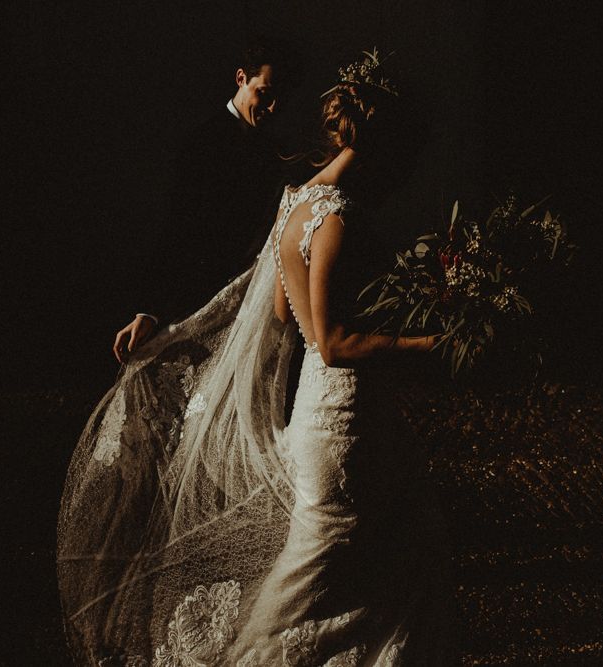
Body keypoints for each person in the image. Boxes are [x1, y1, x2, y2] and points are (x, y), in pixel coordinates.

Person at [58, 49, 451, 666]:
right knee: (353, 572)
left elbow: (275, 314)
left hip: (317, 410)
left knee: (344, 570)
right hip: (340, 417)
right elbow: (330, 341)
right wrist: (432, 343)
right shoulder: (336, 215)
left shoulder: (297, 201)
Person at [113, 41, 297, 364]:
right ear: (241, 78)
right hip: (198, 298)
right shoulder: (201, 144)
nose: (271, 108)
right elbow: (177, 230)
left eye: (278, 99)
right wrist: (150, 311)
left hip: (251, 303)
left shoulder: (274, 151)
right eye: (264, 94)